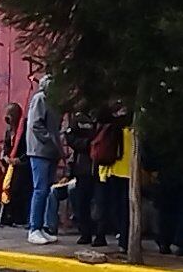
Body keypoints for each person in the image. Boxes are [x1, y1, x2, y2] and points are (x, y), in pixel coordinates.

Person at [26, 75, 63, 245]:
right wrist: (51, 140)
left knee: (47, 189)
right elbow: (36, 125)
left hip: (51, 152)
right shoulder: (40, 99)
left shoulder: (55, 104)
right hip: (40, 151)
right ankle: (34, 228)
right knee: (40, 189)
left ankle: (41, 227)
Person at [94, 111, 134, 252]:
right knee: (125, 209)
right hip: (128, 173)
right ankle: (124, 240)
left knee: (108, 205)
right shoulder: (131, 132)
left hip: (111, 171)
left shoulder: (111, 128)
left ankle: (103, 235)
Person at [63, 111, 99, 244]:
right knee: (82, 202)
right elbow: (70, 138)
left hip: (100, 165)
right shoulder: (79, 118)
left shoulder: (101, 115)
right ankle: (86, 233)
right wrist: (88, 144)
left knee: (99, 202)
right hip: (84, 166)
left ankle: (99, 234)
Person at [0, 102, 30, 226]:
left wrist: (20, 159)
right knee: (7, 187)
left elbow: (29, 147)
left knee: (18, 187)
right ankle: (8, 214)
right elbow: (6, 146)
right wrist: (5, 157)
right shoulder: (9, 131)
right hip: (10, 163)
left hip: (23, 163)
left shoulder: (25, 128)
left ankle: (19, 217)